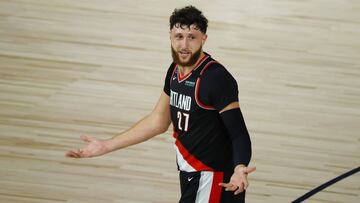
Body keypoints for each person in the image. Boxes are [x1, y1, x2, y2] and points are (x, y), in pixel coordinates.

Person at [66, 5, 255, 203]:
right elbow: (158, 120)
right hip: (191, 175)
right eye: (179, 36)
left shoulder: (215, 78)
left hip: (212, 178)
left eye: (192, 37)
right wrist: (106, 145)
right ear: (170, 37)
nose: (184, 44)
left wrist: (240, 168)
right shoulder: (175, 70)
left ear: (204, 39)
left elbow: (239, 133)